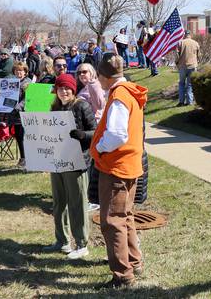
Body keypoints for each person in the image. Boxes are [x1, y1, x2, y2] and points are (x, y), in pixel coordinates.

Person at [90, 54, 148, 289]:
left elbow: (116, 134)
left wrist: (100, 148)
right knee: (126, 216)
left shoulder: (118, 96)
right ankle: (134, 262)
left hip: (116, 166)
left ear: (104, 77)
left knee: (112, 220)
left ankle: (122, 275)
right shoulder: (129, 92)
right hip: (130, 164)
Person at [44, 73, 97, 259]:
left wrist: (83, 135)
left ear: (73, 90)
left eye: (67, 88)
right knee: (59, 203)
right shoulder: (54, 108)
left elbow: (96, 131)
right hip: (58, 161)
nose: (64, 91)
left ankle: (82, 243)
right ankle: (62, 241)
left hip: (77, 162)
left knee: (77, 203)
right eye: (60, 88)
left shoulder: (82, 105)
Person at [10, 61, 31, 167]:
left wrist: (17, 107)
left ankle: (25, 158)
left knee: (22, 137)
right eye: (17, 70)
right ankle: (23, 158)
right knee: (18, 136)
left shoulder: (28, 83)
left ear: (25, 72)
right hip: (13, 114)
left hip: (24, 114)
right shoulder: (12, 82)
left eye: (21, 70)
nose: (19, 72)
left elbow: (27, 99)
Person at [176, 30, 200, 106]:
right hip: (193, 65)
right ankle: (189, 102)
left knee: (181, 84)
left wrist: (176, 62)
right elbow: (199, 55)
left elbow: (177, 55)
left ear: (184, 35)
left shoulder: (180, 42)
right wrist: (197, 62)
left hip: (183, 66)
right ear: (190, 35)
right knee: (190, 84)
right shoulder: (195, 43)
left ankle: (181, 101)